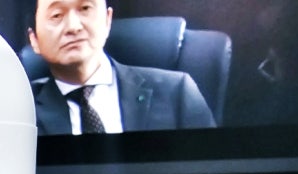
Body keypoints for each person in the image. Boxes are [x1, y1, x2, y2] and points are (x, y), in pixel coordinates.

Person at [26, 0, 216, 134]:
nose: (73, 27)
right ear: (34, 39)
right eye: (56, 15)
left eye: (85, 8)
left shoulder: (177, 93)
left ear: (108, 20)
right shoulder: (23, 112)